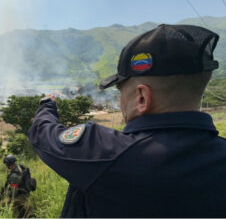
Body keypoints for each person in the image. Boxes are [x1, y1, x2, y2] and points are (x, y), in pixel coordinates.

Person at [27, 24, 226, 217]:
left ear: (142, 98)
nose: (120, 101)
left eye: (121, 92)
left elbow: (42, 134)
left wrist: (47, 105)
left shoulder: (108, 154)